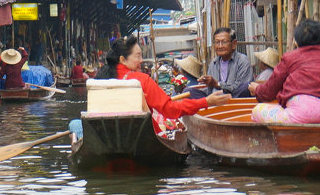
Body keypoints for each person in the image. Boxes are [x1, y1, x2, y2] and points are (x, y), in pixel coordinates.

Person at [95, 36, 230, 134]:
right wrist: (206, 102)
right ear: (123, 60)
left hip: (107, 132)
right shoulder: (141, 80)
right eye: (138, 56)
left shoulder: (101, 79)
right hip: (141, 133)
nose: (142, 61)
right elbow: (169, 109)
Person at [198, 27, 254, 98]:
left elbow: (241, 87)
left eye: (224, 42)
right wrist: (206, 81)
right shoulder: (214, 63)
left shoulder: (242, 60)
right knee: (190, 92)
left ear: (233, 44)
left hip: (234, 99)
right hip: (216, 100)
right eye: (217, 42)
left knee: (244, 87)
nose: (220, 46)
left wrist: (217, 84)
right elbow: (209, 90)